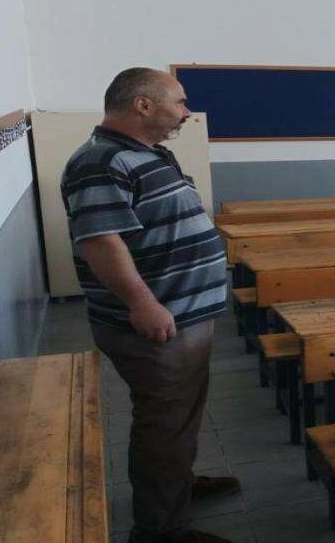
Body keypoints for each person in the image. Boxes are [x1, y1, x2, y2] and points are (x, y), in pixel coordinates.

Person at [61, 67, 236, 543]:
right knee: (163, 422)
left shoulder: (147, 153)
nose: (186, 112)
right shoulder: (101, 162)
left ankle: (177, 486)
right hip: (158, 321)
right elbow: (100, 241)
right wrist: (142, 304)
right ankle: (161, 529)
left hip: (183, 315)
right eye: (179, 102)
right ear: (143, 104)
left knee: (179, 416)